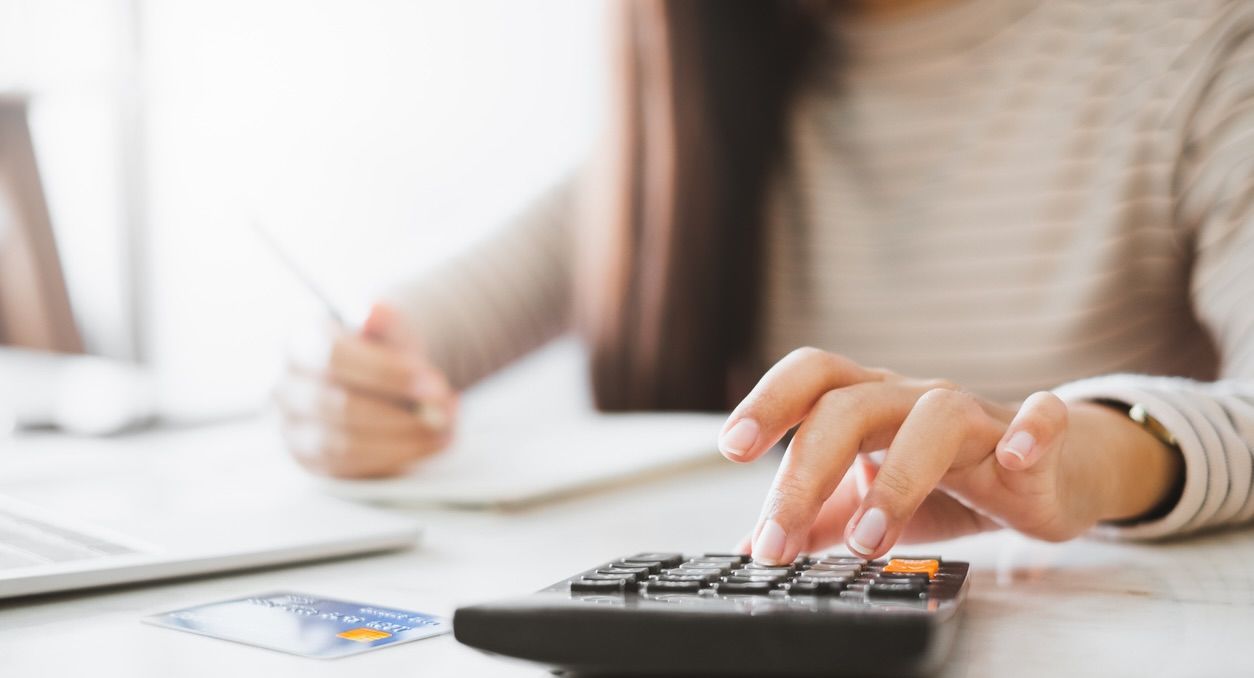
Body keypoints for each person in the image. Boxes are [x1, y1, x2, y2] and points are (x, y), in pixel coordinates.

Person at [278, 0, 1254, 566]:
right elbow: (399, 339)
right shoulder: (695, 104)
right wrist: (344, 385)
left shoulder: (1196, 43)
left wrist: (1083, 458)